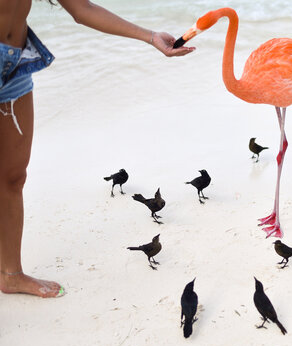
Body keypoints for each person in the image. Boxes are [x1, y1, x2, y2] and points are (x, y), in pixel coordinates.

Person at [0, 0, 194, 298]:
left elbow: (81, 9)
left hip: (16, 64)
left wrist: (150, 36)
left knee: (13, 178)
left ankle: (10, 274)